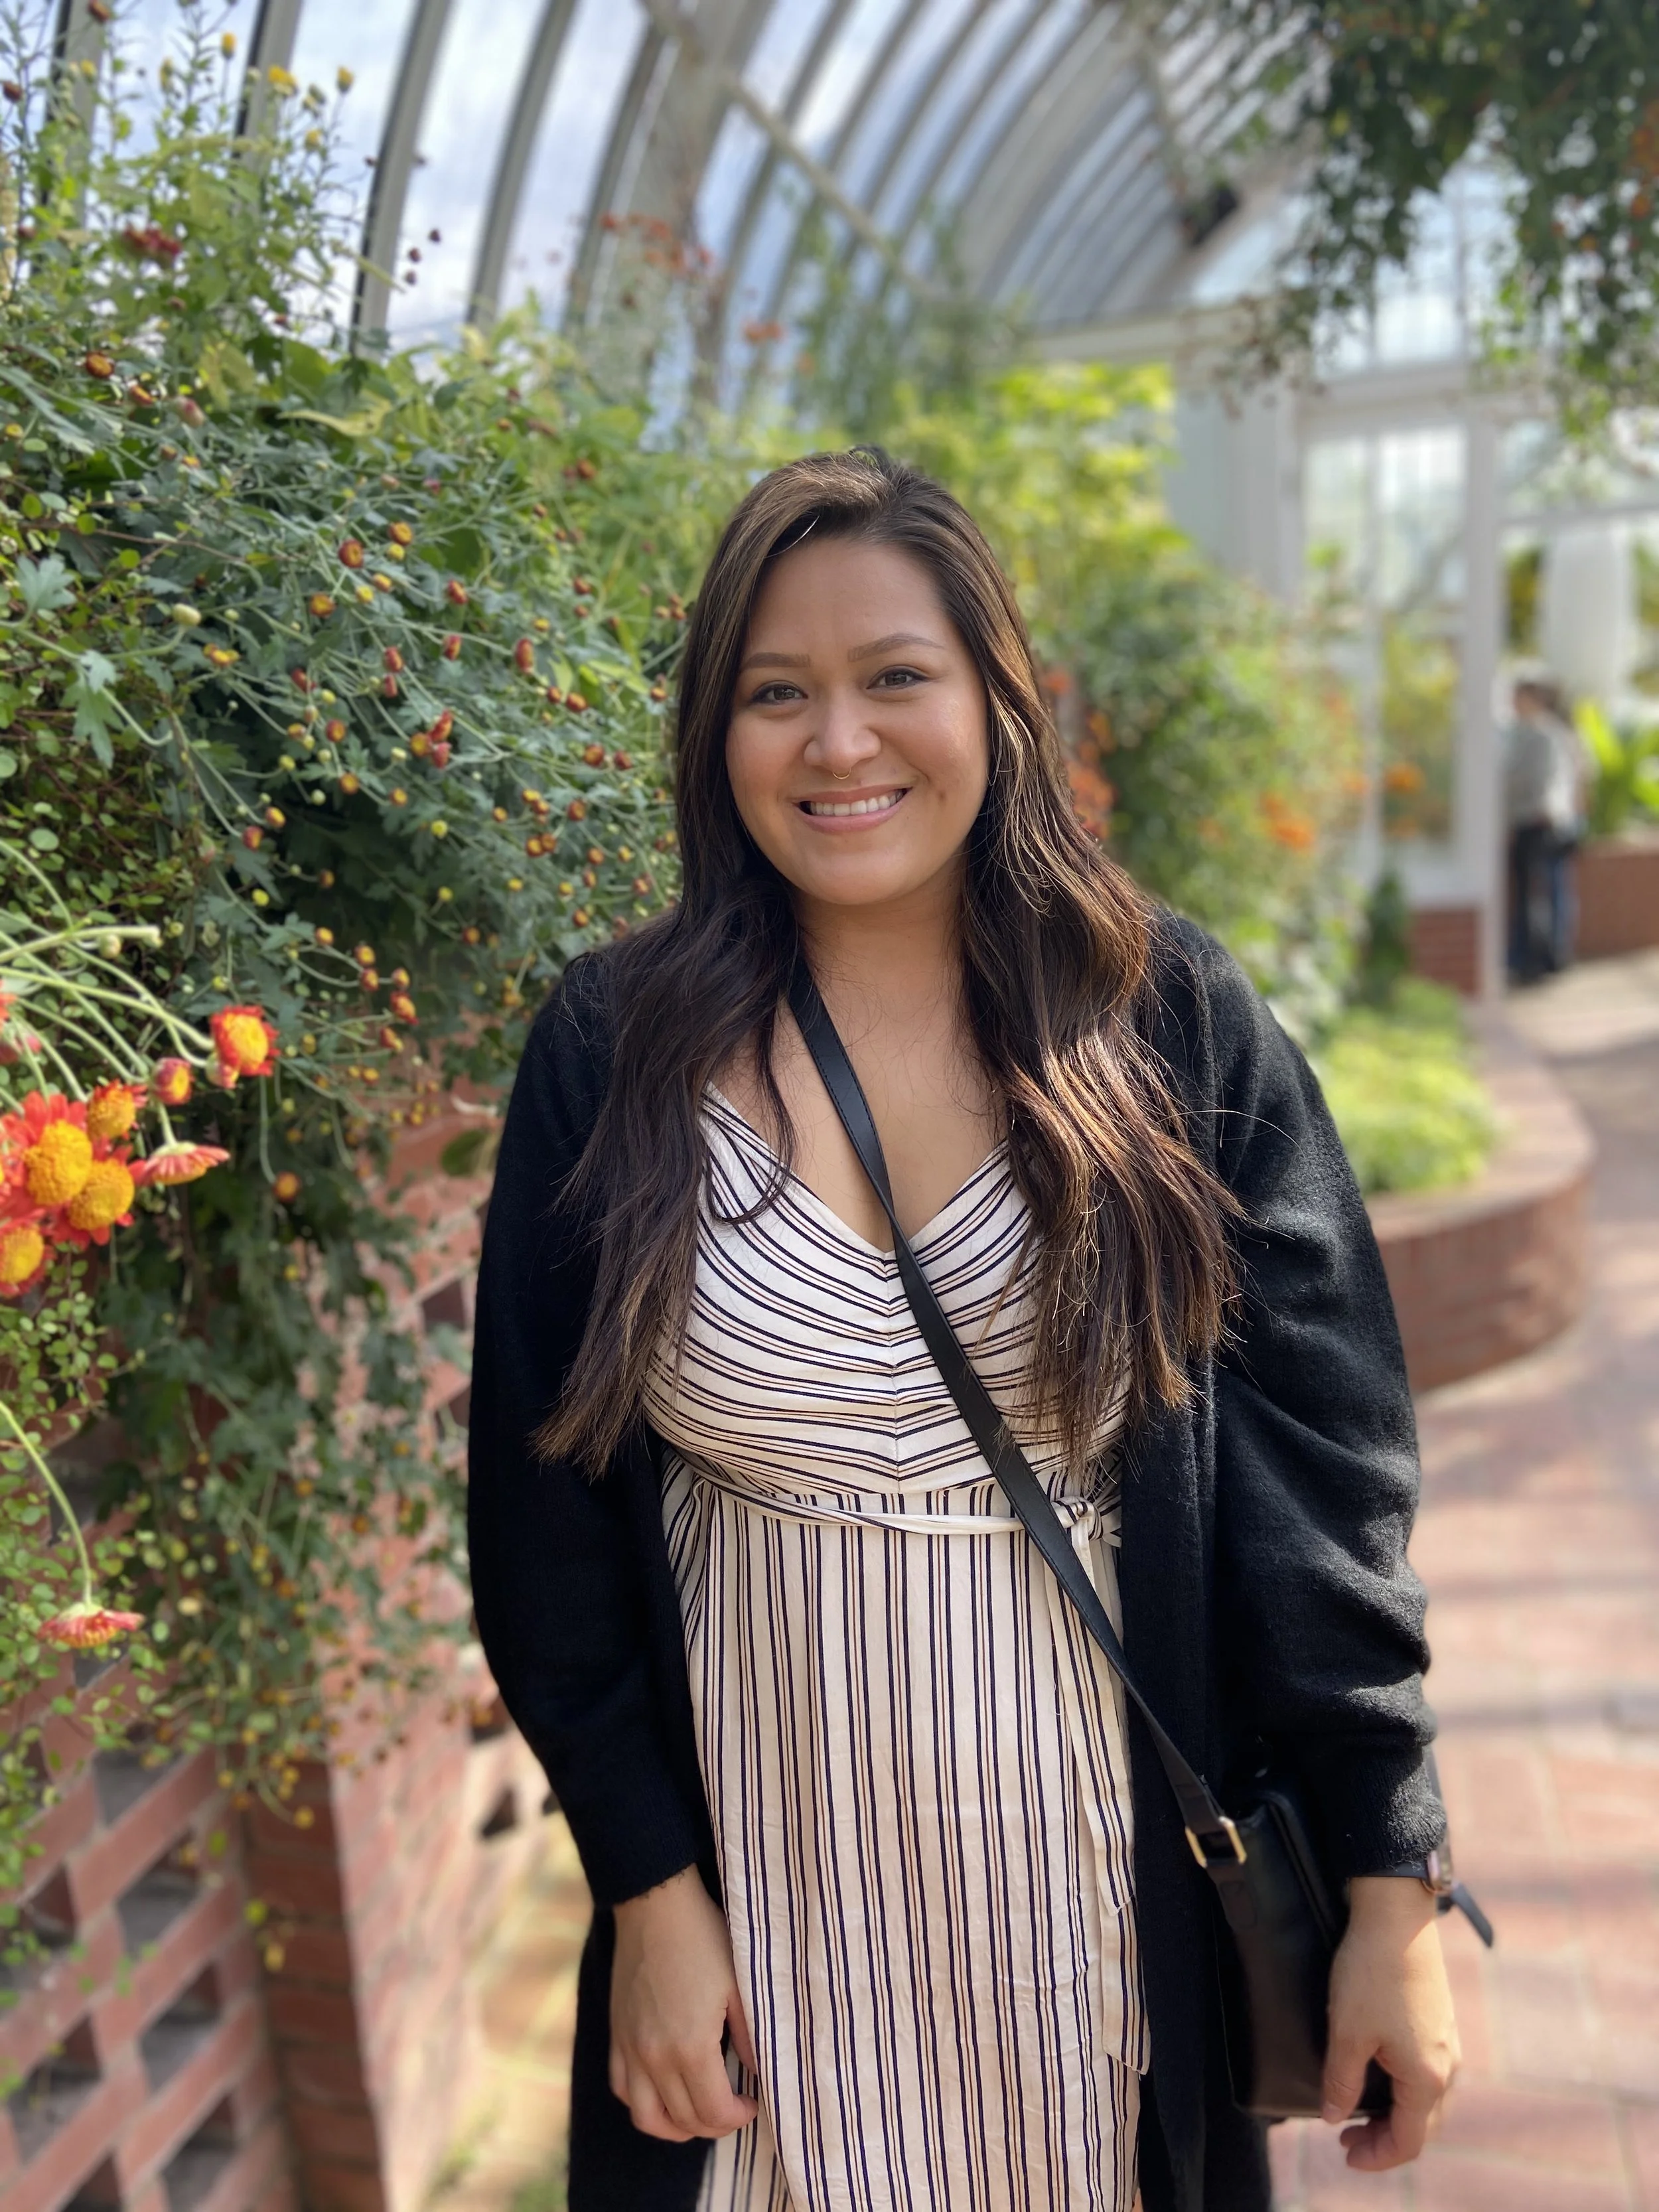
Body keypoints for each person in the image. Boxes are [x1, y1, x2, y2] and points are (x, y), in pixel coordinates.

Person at [467, 448, 1459, 2212]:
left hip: (1088, 1913)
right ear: (714, 736)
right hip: (764, 1924)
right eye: (777, 693)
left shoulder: (1165, 1022)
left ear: (999, 698)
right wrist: (644, 1890)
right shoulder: (613, 1050)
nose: (838, 743)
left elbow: (1323, 1480)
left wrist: (1389, 1885)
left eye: (893, 677)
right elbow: (542, 1524)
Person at [1505, 675, 1589, 980]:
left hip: (1541, 822)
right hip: (1541, 820)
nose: (1513, 704)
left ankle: (1544, 957)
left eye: (1518, 697)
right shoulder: (1528, 732)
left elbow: (1543, 784)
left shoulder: (1545, 735)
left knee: (1544, 891)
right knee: (1547, 890)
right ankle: (1545, 955)